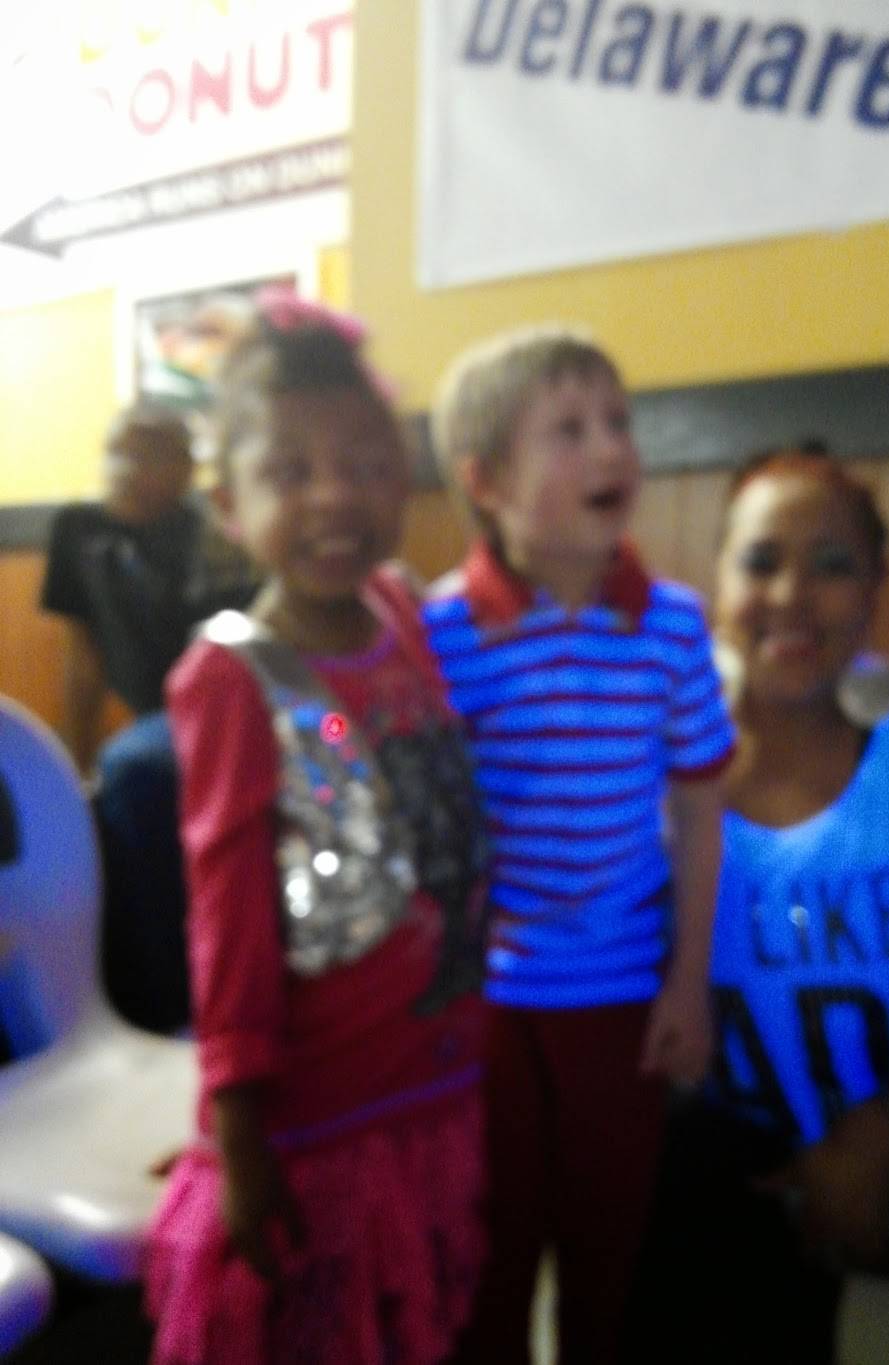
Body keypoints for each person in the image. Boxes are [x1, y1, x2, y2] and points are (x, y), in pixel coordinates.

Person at [144, 293, 490, 1365]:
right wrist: (240, 1131)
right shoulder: (232, 676)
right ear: (229, 504)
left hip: (433, 1082)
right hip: (321, 1112)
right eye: (290, 472)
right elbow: (229, 920)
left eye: (367, 465)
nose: (336, 495)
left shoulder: (400, 613)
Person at [634, 446, 889, 1363]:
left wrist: (878, 1135)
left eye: (834, 564)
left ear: (876, 586)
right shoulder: (649, 760)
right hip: (732, 1161)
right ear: (717, 582)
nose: (793, 595)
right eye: (761, 561)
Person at [423, 325, 735, 1365]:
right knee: (491, 1252)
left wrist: (688, 985)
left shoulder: (672, 624)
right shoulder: (442, 633)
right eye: (569, 430)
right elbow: (413, 813)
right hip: (489, 1004)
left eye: (619, 422)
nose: (612, 449)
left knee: (607, 1251)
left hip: (623, 991)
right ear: (487, 483)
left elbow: (699, 808)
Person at [39, 399, 258, 774]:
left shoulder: (216, 540)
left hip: (226, 712)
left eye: (149, 455)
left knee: (133, 765)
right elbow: (82, 659)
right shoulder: (78, 530)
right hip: (151, 721)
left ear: (187, 470)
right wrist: (78, 769)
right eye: (117, 452)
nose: (125, 469)